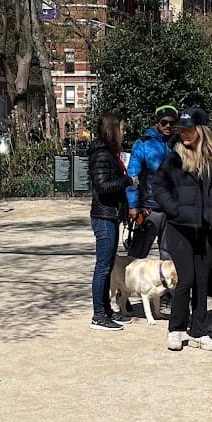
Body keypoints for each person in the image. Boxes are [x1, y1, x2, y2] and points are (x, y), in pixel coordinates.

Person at [154, 107, 212, 351]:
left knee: (203, 282)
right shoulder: (173, 159)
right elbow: (158, 187)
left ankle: (198, 331)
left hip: (205, 229)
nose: (183, 133)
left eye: (188, 129)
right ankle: (175, 329)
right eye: (181, 129)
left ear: (200, 131)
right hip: (179, 228)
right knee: (186, 280)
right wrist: (174, 210)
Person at [87, 115, 132, 331]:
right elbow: (103, 186)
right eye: (121, 129)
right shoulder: (102, 155)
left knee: (108, 265)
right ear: (112, 130)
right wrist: (127, 180)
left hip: (111, 215)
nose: (124, 133)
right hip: (104, 217)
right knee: (103, 267)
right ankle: (98, 315)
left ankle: (105, 310)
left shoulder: (109, 154)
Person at [125, 104, 176, 256]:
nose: (168, 126)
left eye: (172, 123)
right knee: (138, 254)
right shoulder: (143, 144)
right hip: (149, 208)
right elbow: (132, 175)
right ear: (157, 123)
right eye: (164, 122)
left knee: (169, 256)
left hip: (172, 208)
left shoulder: (179, 144)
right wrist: (133, 205)